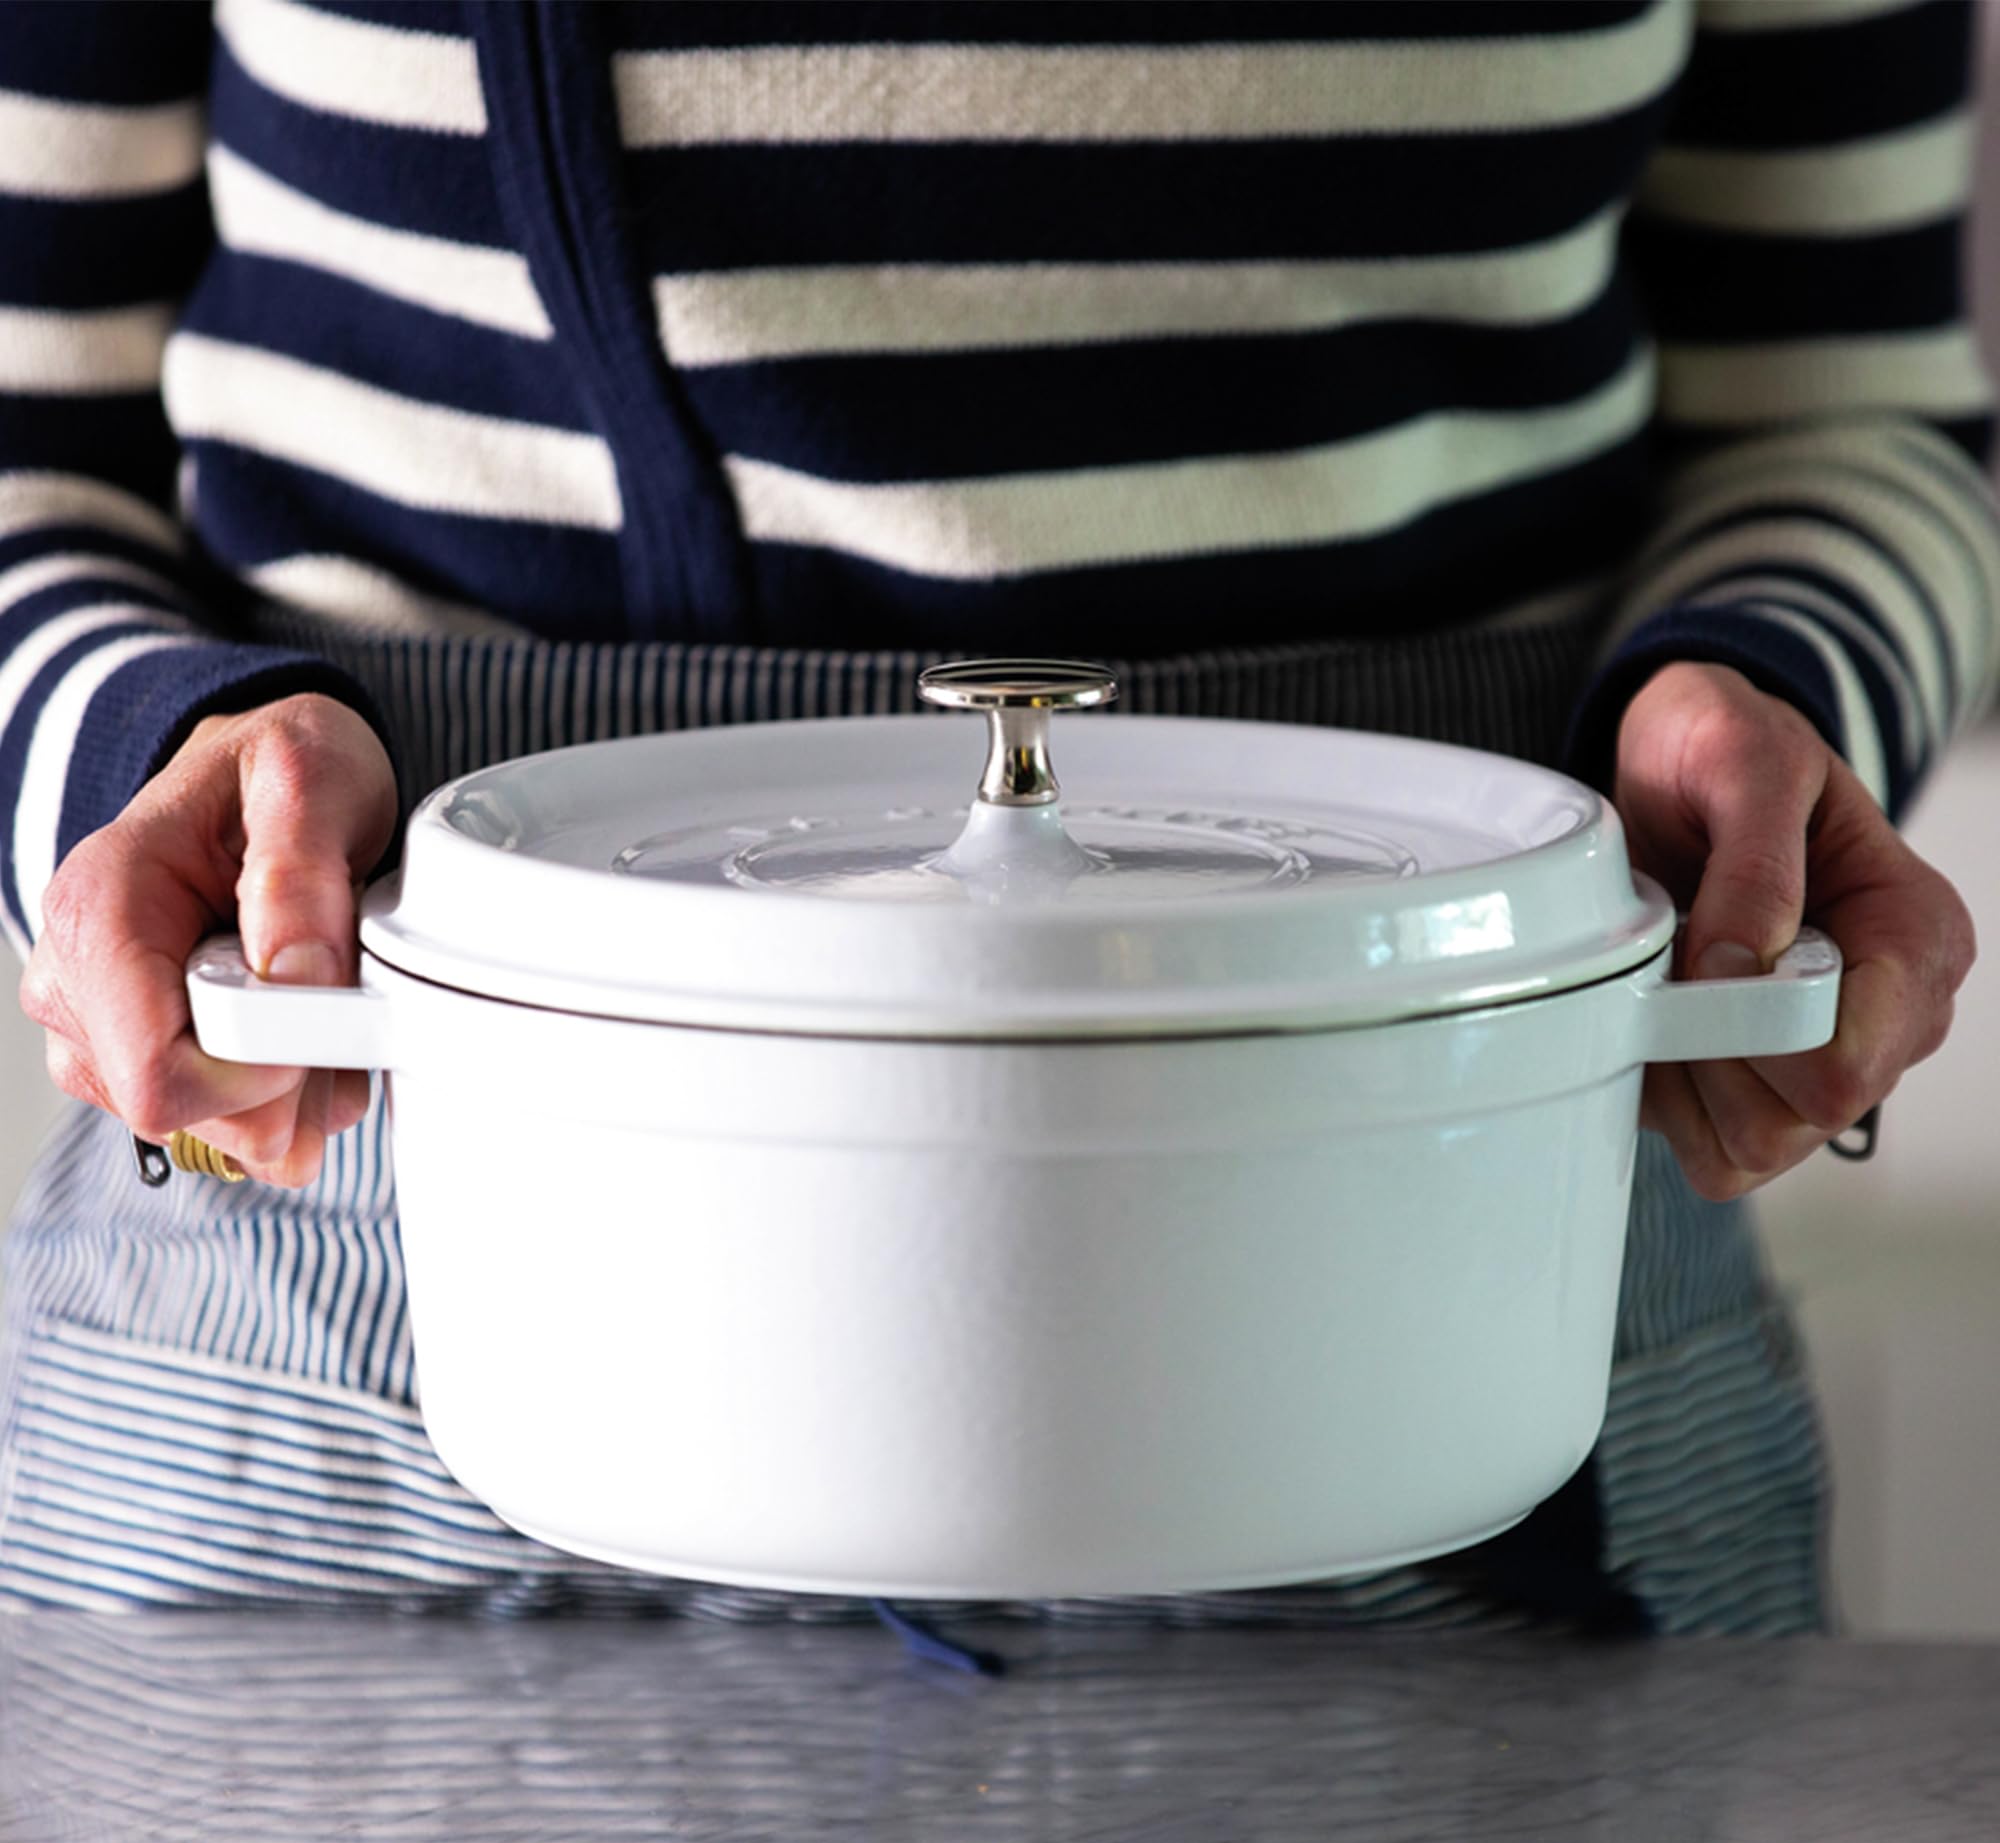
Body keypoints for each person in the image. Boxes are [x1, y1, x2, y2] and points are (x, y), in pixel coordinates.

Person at [0, 0, 1989, 1637]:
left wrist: (1767, 712)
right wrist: (160, 771)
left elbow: (1847, 401)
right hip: (376, 1264)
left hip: (1465, 1251)